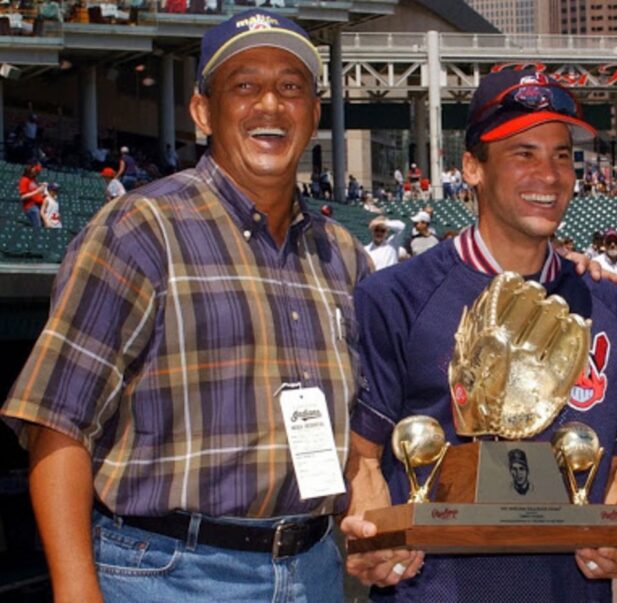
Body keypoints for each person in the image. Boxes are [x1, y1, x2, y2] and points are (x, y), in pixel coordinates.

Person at [1, 10, 370, 602]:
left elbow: (360, 429)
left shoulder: (343, 254)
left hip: (314, 567)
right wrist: (75, 588)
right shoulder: (140, 228)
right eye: (244, 86)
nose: (270, 105)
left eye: (291, 87)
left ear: (313, 114)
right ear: (203, 112)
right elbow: (56, 419)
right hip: (171, 572)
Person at [342, 69, 617, 602]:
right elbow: (364, 458)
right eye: (523, 153)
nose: (548, 175)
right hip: (433, 591)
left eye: (561, 155)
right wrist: (373, 537)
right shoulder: (397, 297)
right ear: (472, 169)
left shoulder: (612, 308)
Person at [17, 162, 46, 227]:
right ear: (31, 170)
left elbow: (34, 189)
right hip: (31, 207)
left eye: (38, 172)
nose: (37, 173)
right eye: (36, 171)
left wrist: (41, 185)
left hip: (39, 206)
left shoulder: (33, 179)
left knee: (43, 226)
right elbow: (23, 197)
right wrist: (37, 191)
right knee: (38, 227)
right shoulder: (24, 180)